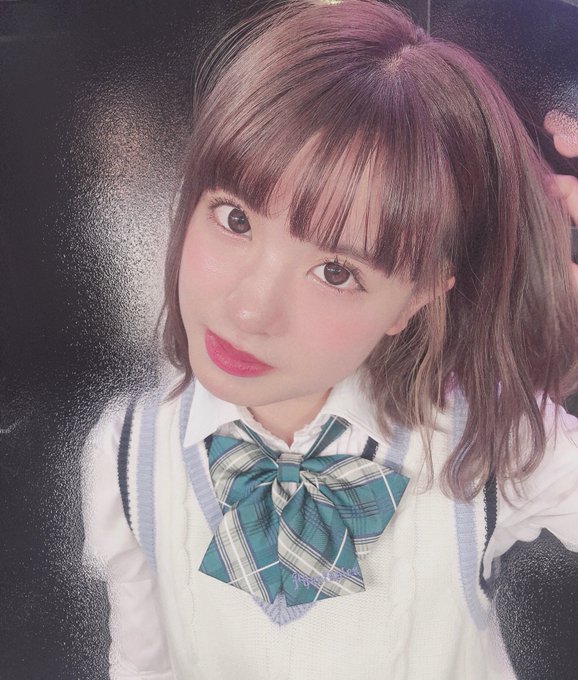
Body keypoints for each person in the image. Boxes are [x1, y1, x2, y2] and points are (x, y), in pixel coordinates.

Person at [81, 1, 578, 678]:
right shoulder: (128, 454)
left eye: (336, 271)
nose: (250, 310)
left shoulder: (488, 442)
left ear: (417, 297)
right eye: (234, 219)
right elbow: (142, 667)